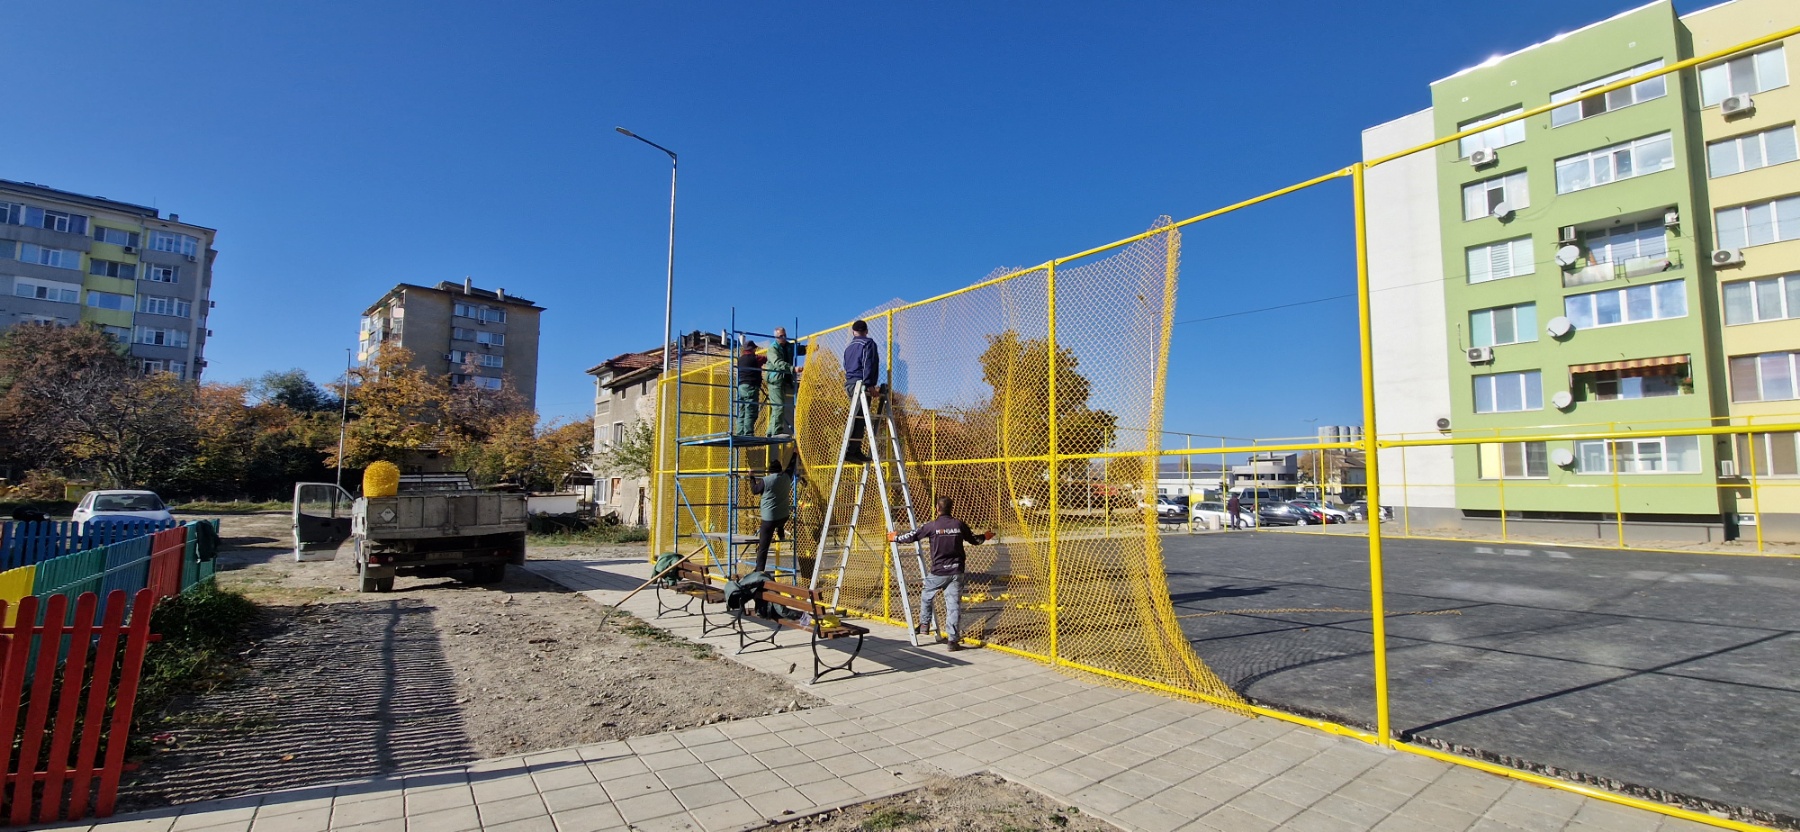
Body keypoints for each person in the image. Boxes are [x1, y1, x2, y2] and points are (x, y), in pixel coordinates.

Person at [888, 496, 993, 651]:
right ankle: (952, 641)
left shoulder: (932, 525)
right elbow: (974, 540)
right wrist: (985, 536)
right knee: (953, 606)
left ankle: (924, 624)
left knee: (926, 594)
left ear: (937, 508)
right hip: (957, 571)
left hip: (938, 571)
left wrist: (895, 538)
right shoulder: (959, 524)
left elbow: (913, 535)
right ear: (952, 508)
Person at [747, 453, 797, 573]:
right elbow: (791, 466)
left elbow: (754, 490)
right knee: (779, 520)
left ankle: (759, 570)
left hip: (769, 519)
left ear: (770, 471)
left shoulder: (766, 480)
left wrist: (751, 477)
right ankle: (781, 532)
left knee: (763, 547)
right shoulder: (786, 477)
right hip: (784, 516)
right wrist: (794, 454)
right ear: (780, 469)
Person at [842, 320, 881, 464]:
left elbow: (846, 366)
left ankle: (855, 449)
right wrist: (869, 384)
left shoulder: (848, 348)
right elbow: (868, 364)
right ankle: (850, 450)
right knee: (859, 418)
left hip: (850, 383)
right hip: (861, 384)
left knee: (859, 417)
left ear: (853, 332)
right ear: (866, 331)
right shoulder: (868, 344)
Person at [764, 327, 800, 438]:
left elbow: (797, 349)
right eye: (781, 336)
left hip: (783, 380)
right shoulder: (773, 349)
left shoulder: (788, 346)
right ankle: (776, 431)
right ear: (776, 337)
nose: (783, 338)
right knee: (778, 406)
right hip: (775, 380)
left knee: (778, 406)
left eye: (784, 335)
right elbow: (777, 363)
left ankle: (771, 431)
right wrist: (792, 368)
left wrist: (809, 348)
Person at [733, 339, 766, 436]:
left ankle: (739, 432)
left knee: (742, 410)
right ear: (752, 349)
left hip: (741, 386)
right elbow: (765, 359)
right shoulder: (755, 358)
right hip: (751, 386)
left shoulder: (740, 359)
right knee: (750, 410)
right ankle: (748, 432)